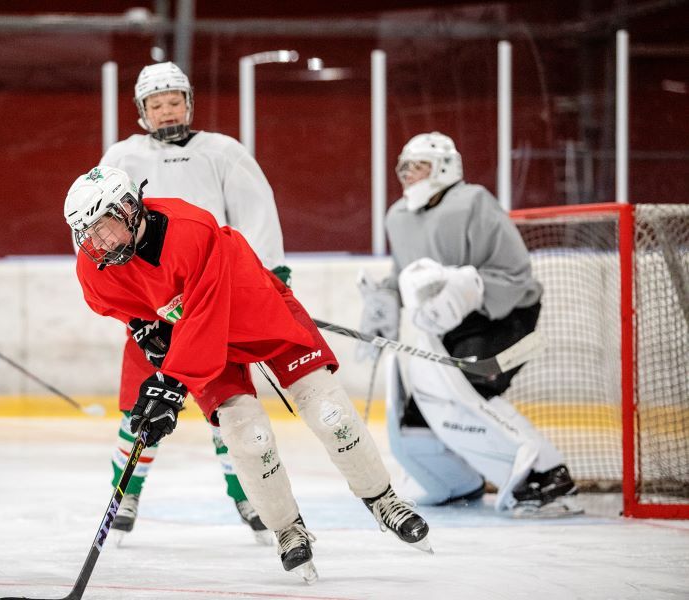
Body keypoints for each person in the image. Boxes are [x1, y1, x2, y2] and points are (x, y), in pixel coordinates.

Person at [63, 165, 432, 583]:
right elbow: (130, 307)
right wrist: (144, 326)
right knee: (246, 435)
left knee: (331, 412)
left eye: (103, 227)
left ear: (128, 209)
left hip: (259, 315)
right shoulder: (96, 267)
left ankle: (383, 499)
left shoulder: (191, 229)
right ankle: (287, 529)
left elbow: (205, 314)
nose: (96, 242)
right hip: (202, 341)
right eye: (86, 232)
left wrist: (171, 381)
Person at [97, 61, 290, 545]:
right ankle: (126, 493)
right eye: (156, 104)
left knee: (229, 405)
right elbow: (104, 231)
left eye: (174, 101)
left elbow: (255, 213)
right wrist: (134, 313)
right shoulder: (122, 155)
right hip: (151, 302)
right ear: (142, 111)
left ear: (189, 103)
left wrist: (272, 280)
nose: (166, 111)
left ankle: (247, 492)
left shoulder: (222, 151)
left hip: (215, 300)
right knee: (142, 405)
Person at [357, 131, 581, 517]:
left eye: (418, 165)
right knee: (419, 415)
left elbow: (516, 276)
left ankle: (547, 473)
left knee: (468, 389)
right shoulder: (398, 216)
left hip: (505, 316)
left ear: (445, 167)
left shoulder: (474, 203)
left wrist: (470, 286)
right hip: (450, 329)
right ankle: (453, 481)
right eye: (404, 166)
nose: (408, 174)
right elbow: (405, 273)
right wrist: (384, 302)